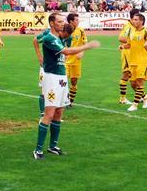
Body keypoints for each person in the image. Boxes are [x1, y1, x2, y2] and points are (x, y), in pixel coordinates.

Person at [33, 13, 100, 160]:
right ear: (52, 23)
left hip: (62, 77)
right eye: (59, 21)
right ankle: (38, 149)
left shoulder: (60, 37)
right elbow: (66, 51)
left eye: (62, 21)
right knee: (49, 114)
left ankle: (53, 146)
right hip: (52, 78)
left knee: (59, 113)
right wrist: (87, 46)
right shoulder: (49, 38)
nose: (62, 23)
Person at [33, 23, 73, 117]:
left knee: (58, 92)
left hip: (59, 68)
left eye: (68, 36)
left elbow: (66, 50)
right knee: (44, 90)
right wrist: (39, 56)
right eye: (65, 35)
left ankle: (54, 115)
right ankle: (43, 114)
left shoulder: (69, 38)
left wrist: (63, 58)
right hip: (46, 66)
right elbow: (35, 40)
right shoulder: (48, 34)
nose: (66, 37)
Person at [123, 14, 147, 112]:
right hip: (133, 61)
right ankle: (146, 98)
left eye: (136, 20)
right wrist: (123, 46)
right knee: (133, 83)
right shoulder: (131, 31)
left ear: (141, 21)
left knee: (139, 83)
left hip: (143, 61)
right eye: (133, 20)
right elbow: (129, 44)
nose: (133, 21)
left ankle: (134, 105)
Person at [65, 13, 87, 107]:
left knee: (74, 82)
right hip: (65, 61)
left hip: (76, 61)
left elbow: (85, 43)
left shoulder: (81, 30)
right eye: (76, 20)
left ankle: (70, 101)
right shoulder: (64, 30)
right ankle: (62, 100)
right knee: (63, 81)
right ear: (71, 21)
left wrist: (82, 52)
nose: (78, 21)